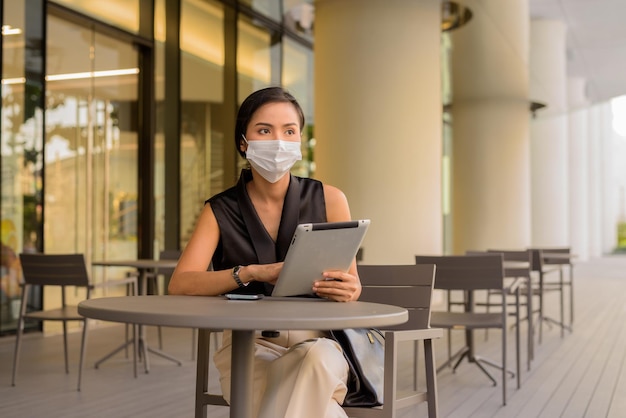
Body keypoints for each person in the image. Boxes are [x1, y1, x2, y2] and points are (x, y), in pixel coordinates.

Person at [168, 86, 361, 417]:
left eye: (289, 131)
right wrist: (251, 272)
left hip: (320, 344)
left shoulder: (330, 199)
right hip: (247, 348)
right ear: (243, 142)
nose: (279, 141)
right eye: (264, 130)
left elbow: (353, 285)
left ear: (300, 140)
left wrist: (350, 289)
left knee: (315, 361)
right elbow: (180, 284)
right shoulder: (219, 210)